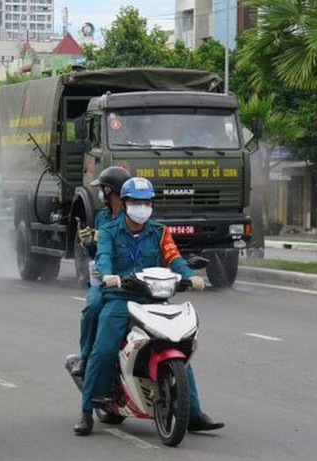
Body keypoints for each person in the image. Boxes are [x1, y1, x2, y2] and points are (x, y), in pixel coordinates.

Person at [74, 177, 224, 436]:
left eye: (146, 202)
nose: (141, 207)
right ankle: (87, 409)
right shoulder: (109, 230)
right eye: (136, 202)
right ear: (125, 202)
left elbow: (173, 257)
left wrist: (190, 275)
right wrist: (109, 274)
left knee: (179, 343)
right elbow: (104, 257)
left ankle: (194, 413)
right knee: (105, 348)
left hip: (153, 298)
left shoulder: (159, 231)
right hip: (120, 297)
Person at [72, 166, 131, 377]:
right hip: (105, 280)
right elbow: (97, 253)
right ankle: (86, 358)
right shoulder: (102, 217)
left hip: (132, 279)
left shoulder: (133, 217)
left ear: (108, 191)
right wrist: (88, 242)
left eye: (102, 189)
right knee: (93, 307)